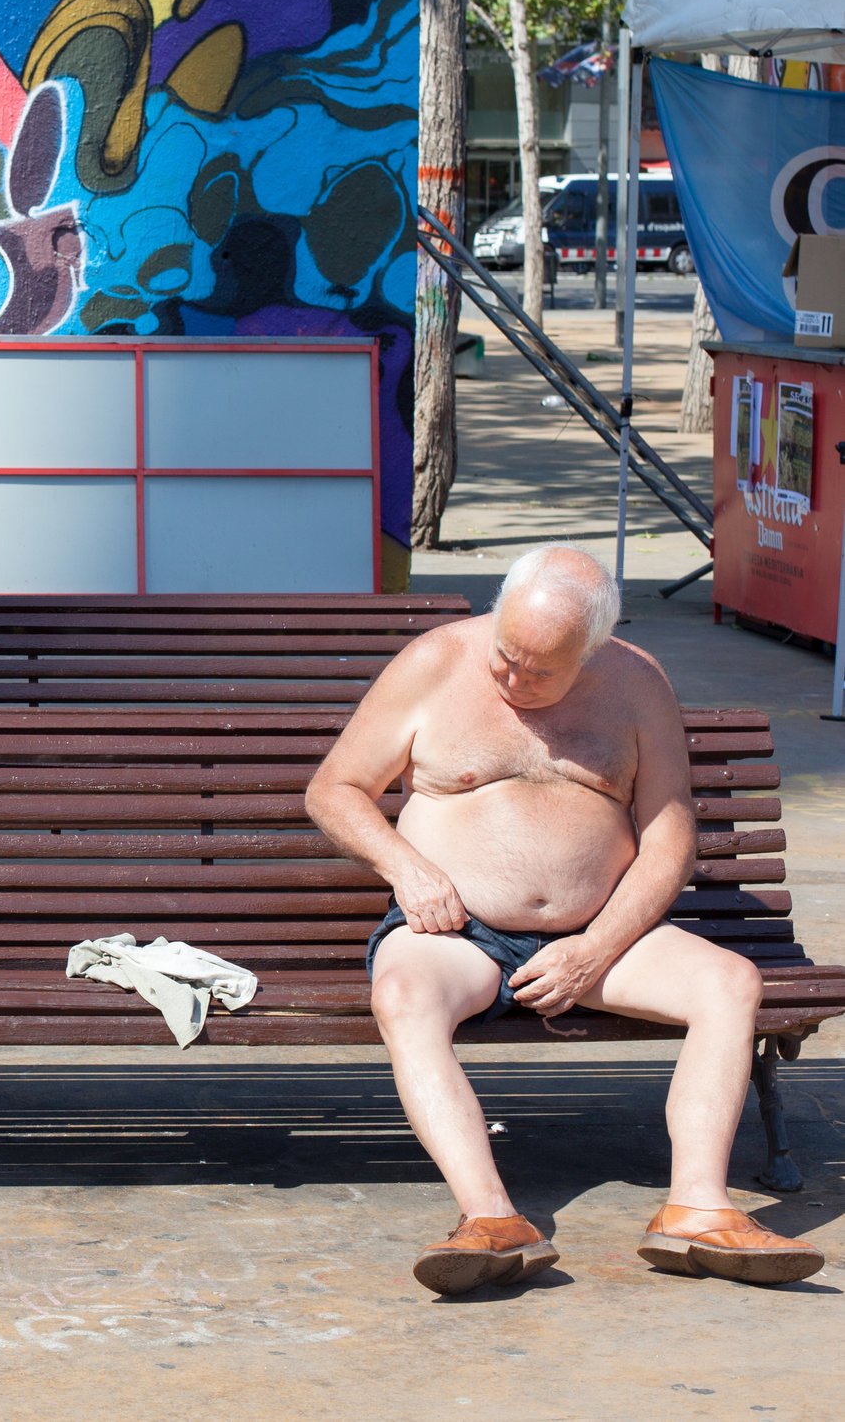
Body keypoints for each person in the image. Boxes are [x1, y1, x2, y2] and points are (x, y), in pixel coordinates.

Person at [306, 544, 823, 1295]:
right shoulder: (436, 661)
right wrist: (407, 869)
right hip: (460, 934)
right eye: (506, 654)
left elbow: (671, 838)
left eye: (539, 669)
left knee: (729, 984)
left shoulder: (638, 682)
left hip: (604, 935)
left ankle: (698, 1208)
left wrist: (596, 944)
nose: (512, 678)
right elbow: (335, 789)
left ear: (593, 650)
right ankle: (489, 1216)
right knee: (404, 996)